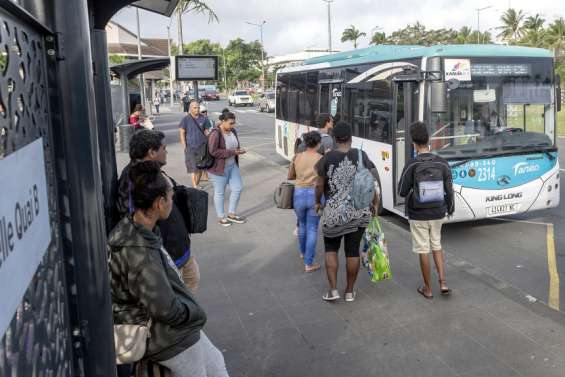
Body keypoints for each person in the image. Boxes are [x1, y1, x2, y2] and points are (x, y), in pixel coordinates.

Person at [108, 161, 229, 377]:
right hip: (169, 338)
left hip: (176, 331)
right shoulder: (139, 252)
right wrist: (193, 312)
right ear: (158, 202)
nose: (172, 201)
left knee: (216, 363)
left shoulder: (138, 228)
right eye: (170, 196)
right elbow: (165, 309)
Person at [115, 129, 200, 294]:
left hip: (180, 255)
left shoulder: (152, 172)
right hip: (167, 263)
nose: (166, 151)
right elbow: (135, 223)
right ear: (152, 152)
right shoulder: (133, 179)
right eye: (164, 148)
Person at [315, 122, 379, 302]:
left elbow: (319, 184)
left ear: (334, 139)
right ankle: (349, 291)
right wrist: (374, 203)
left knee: (331, 249)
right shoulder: (361, 155)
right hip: (358, 212)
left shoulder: (327, 159)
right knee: (352, 251)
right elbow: (371, 181)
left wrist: (317, 203)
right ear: (351, 138)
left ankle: (333, 290)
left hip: (333, 213)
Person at [398, 121, 454, 299]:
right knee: (437, 244)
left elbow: (401, 191)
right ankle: (443, 282)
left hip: (418, 214)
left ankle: (428, 288)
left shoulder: (412, 165)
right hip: (438, 212)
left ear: (413, 143)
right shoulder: (443, 163)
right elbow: (449, 190)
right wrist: (449, 209)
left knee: (424, 249)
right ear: (429, 140)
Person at [288, 131, 323, 272]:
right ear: (318, 143)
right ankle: (309, 263)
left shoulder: (297, 156)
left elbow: (290, 175)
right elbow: (324, 179)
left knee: (302, 225)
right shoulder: (321, 158)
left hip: (299, 194)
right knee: (312, 228)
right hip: (315, 194)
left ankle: (302, 252)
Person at [207, 109, 247, 227]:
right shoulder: (215, 133)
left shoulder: (233, 131)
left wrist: (238, 150)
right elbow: (213, 151)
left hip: (232, 165)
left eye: (233, 123)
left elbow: (235, 145)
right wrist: (232, 152)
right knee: (220, 193)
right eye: (230, 123)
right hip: (219, 168)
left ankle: (232, 213)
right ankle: (221, 217)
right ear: (222, 122)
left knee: (238, 188)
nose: (232, 125)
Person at [179, 100, 209, 189]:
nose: (197, 109)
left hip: (202, 147)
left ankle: (197, 183)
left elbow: (206, 131)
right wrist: (184, 146)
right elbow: (182, 132)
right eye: (195, 108)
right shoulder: (185, 119)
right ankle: (195, 186)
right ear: (190, 109)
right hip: (190, 147)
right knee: (193, 167)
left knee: (200, 167)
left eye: (198, 107)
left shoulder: (204, 118)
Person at [200, 104, 213, 182]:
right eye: (202, 112)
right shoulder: (197, 121)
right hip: (201, 143)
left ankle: (206, 174)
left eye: (205, 112)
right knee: (203, 159)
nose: (204, 113)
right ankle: (204, 175)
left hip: (210, 142)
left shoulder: (211, 121)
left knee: (208, 159)